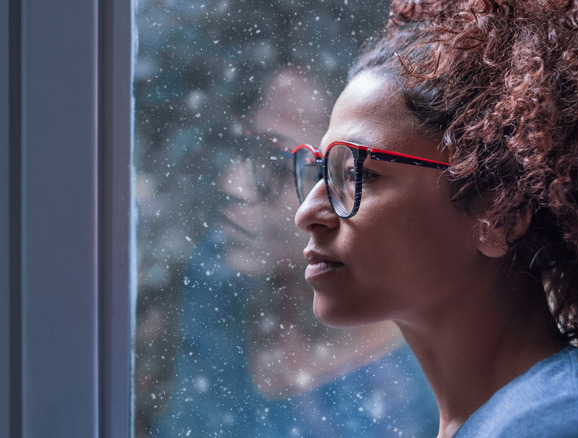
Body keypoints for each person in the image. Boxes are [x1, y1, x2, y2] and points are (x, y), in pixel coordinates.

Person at [292, 0, 578, 436]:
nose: (307, 214)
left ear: (499, 211)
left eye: (356, 174)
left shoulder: (559, 421)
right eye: (320, 172)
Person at [150, 67, 438, 437]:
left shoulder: (410, 388)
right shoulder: (217, 281)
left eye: (276, 168)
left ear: (354, 181)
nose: (232, 184)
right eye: (244, 152)